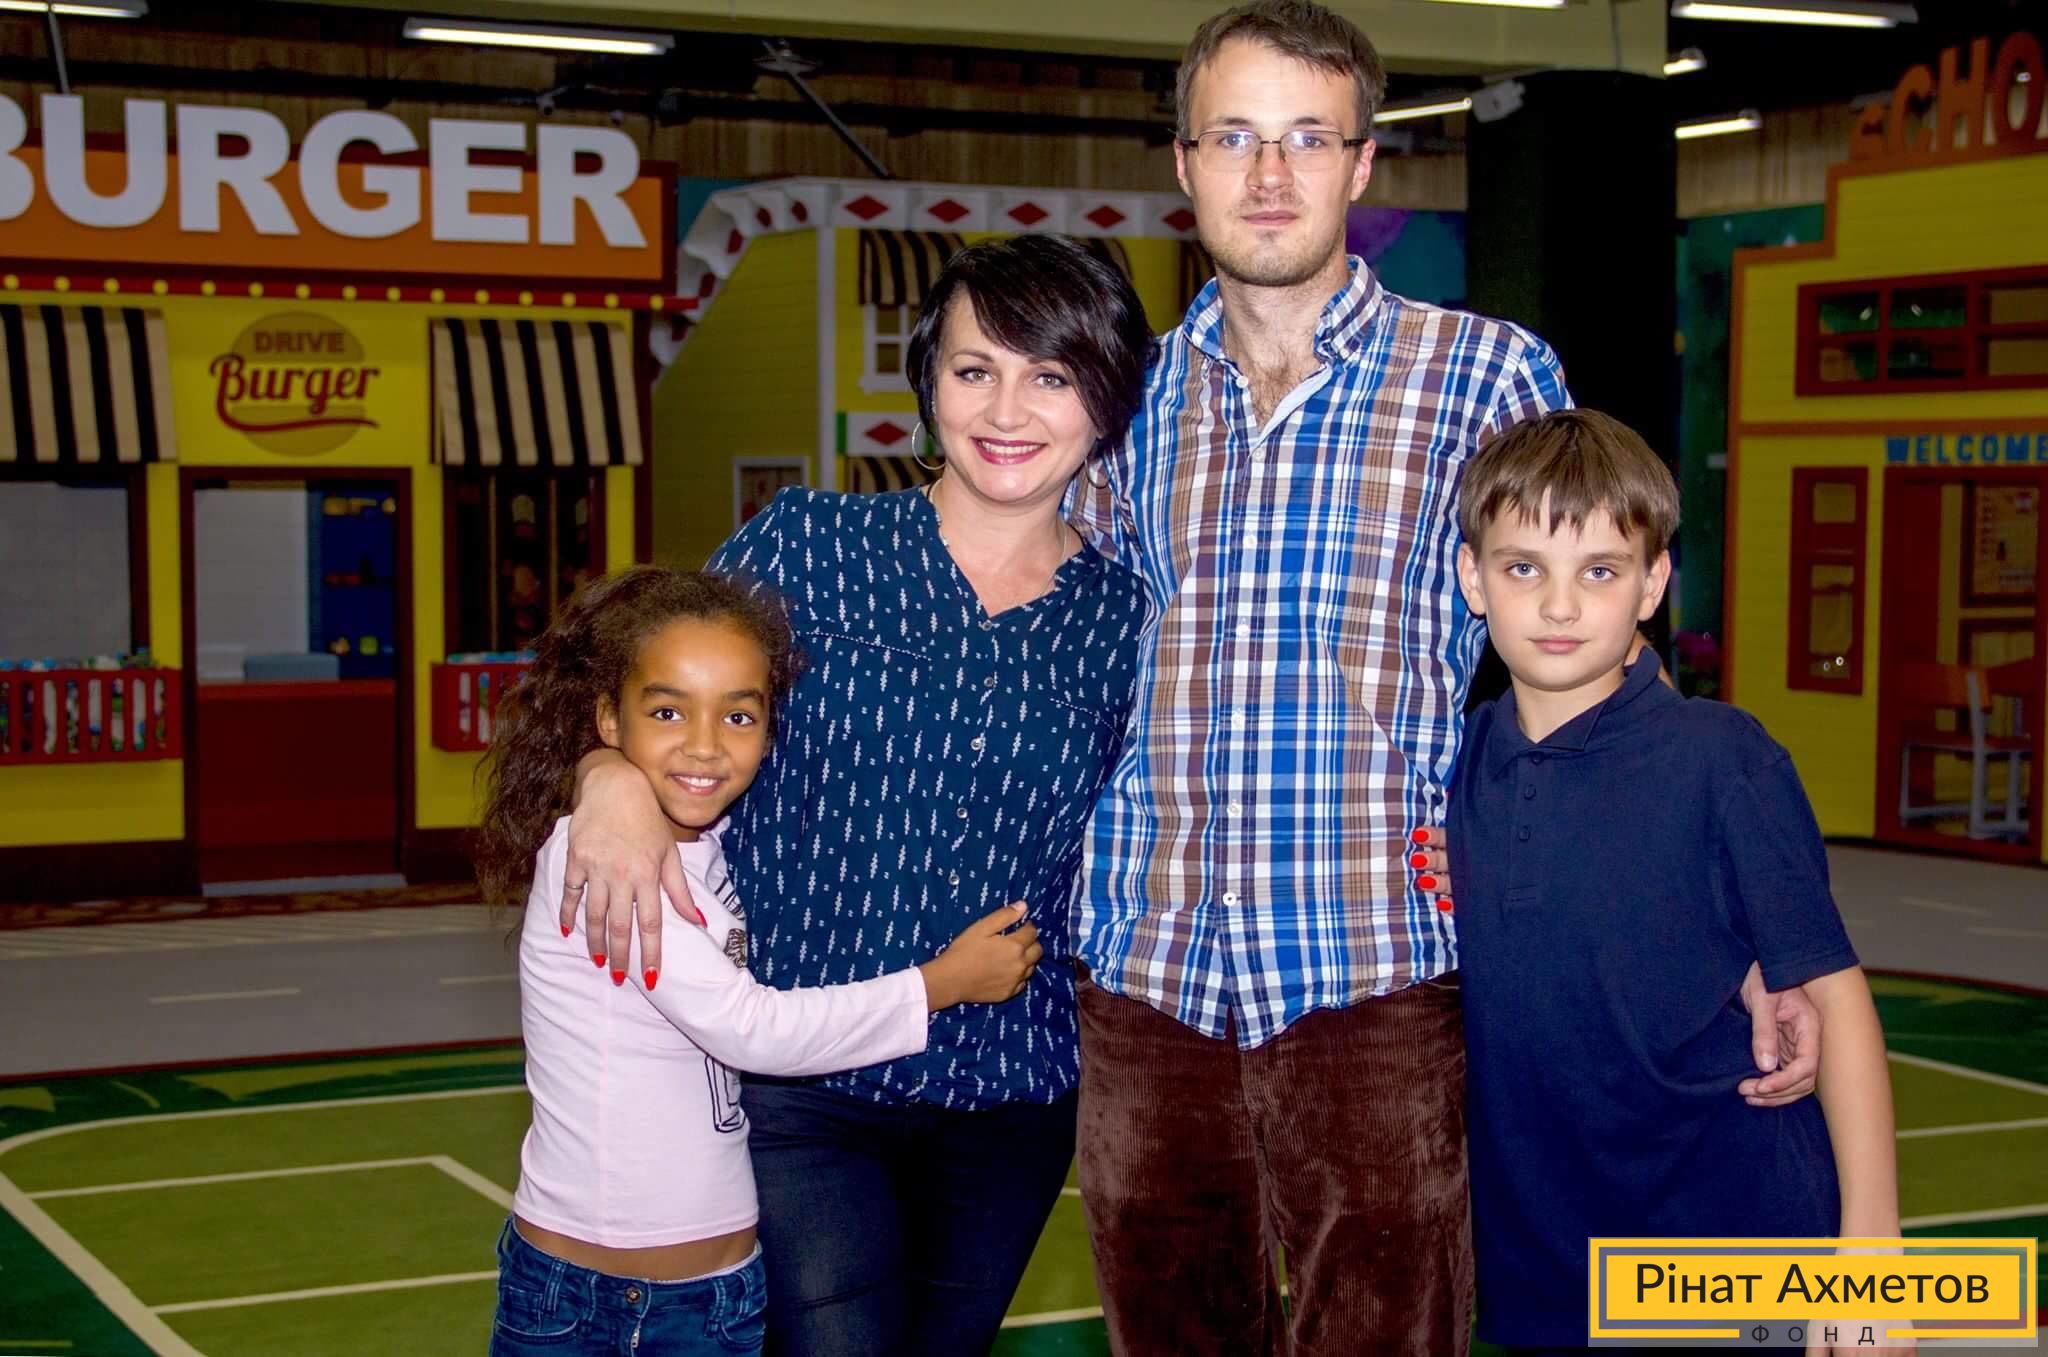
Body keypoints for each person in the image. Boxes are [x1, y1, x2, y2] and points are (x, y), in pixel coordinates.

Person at [1065, 4, 1824, 1354]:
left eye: (1308, 138)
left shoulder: (1486, 373)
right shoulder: (1122, 404)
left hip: (1375, 975)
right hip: (1147, 977)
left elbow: (1593, 640)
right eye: (1233, 137)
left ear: (1363, 163)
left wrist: (1740, 926)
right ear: (1182, 163)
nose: (1269, 174)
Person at [560, 236, 1155, 1354]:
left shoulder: (1128, 621)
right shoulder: (808, 547)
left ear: (1107, 399)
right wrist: (609, 781)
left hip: (1008, 1087)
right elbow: (637, 698)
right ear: (927, 383)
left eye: (1051, 375)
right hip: (799, 1079)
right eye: (974, 369)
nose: (1006, 410)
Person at [474, 567, 1045, 1357]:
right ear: (608, 717)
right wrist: (941, 984)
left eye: (738, 715)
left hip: (720, 1296)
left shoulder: (709, 846)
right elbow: (752, 1030)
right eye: (667, 710)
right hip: (586, 1301)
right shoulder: (601, 858)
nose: (704, 744)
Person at [1449, 411, 1906, 1357]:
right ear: (1473, 579)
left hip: (1733, 1245)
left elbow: (1835, 996)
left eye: (1600, 571)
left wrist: (1872, 1259)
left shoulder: (1722, 758)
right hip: (1539, 1269)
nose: (1560, 606)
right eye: (1524, 567)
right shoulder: (1453, 761)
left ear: (1653, 583)